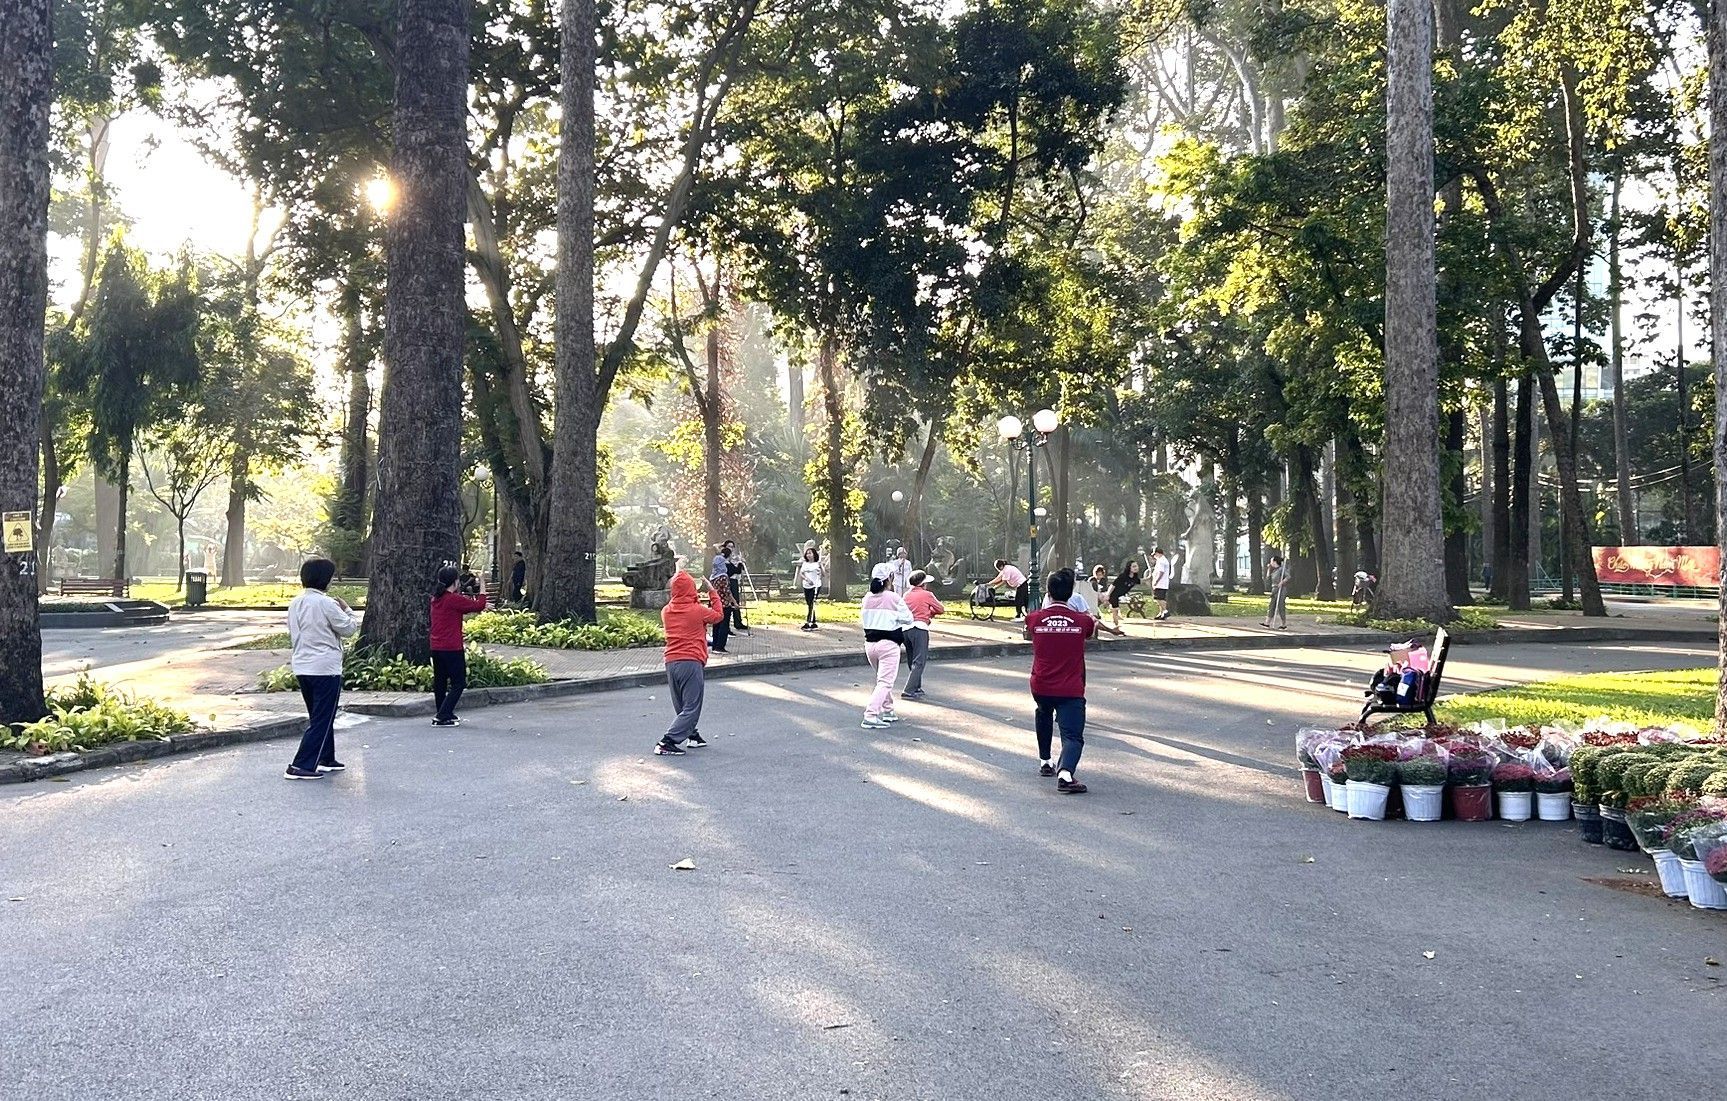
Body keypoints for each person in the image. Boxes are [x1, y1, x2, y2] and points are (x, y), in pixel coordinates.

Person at [283, 557, 359, 780]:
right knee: (323, 718)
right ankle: (301, 765)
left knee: (318, 716)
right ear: (325, 579)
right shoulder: (326, 603)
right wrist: (348, 610)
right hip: (325, 667)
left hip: (302, 665)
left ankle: (326, 757)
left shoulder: (295, 602)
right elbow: (348, 629)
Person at [1026, 570, 1097, 794]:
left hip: (1041, 684)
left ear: (1048, 591)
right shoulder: (1082, 621)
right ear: (1071, 593)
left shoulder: (1034, 618)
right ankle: (1065, 774)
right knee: (1072, 735)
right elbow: (1090, 634)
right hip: (1070, 687)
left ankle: (1045, 761)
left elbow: (1029, 635)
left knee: (1043, 713)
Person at [654, 568, 728, 756]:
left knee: (681, 704)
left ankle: (692, 736)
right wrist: (712, 591)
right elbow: (718, 615)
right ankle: (667, 741)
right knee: (691, 706)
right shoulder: (697, 610)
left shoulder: (666, 611)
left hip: (671, 660)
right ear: (691, 590)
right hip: (691, 660)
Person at [430, 563, 489, 727]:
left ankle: (443, 711)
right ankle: (442, 715)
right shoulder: (452, 599)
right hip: (451, 647)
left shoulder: (436, 598)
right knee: (459, 682)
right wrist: (482, 582)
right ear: (456, 582)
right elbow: (479, 606)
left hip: (436, 645)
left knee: (440, 681)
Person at [859, 564, 913, 729]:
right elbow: (909, 619)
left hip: (870, 645)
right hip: (888, 645)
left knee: (882, 680)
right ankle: (871, 715)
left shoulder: (867, 598)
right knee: (885, 682)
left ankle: (888, 710)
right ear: (890, 578)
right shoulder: (894, 598)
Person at [902, 569, 946, 699]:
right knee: (919, 660)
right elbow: (940, 609)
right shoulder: (927, 594)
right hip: (920, 628)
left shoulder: (906, 595)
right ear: (923, 584)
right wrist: (930, 613)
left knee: (912, 658)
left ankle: (916, 686)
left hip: (906, 629)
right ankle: (909, 690)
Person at [1104, 558, 1142, 634]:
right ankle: (1116, 626)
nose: (1136, 568)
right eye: (1134, 566)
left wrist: (1150, 577)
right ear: (1129, 568)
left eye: (1136, 566)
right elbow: (1113, 585)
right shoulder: (1123, 576)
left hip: (1121, 595)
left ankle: (1116, 625)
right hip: (1114, 595)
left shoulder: (1135, 578)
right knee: (1115, 610)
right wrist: (1107, 595)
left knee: (1116, 611)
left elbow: (1142, 581)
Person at [707, 544, 732, 653]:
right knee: (724, 625)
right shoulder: (723, 577)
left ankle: (714, 645)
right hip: (724, 604)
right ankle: (720, 646)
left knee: (716, 624)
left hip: (714, 603)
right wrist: (734, 602)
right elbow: (727, 592)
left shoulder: (712, 577)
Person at [722, 540, 749, 633]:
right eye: (728, 546)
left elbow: (738, 569)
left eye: (732, 547)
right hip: (726, 581)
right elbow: (733, 570)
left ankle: (738, 622)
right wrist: (739, 565)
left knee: (736, 601)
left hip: (734, 580)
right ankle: (727, 626)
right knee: (729, 602)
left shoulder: (734, 557)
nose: (730, 548)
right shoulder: (723, 558)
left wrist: (741, 563)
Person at [797, 546, 824, 631]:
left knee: (812, 603)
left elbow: (823, 574)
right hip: (806, 585)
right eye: (807, 553)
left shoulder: (817, 564)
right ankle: (813, 621)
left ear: (814, 554)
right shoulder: (805, 564)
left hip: (815, 585)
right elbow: (801, 573)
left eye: (810, 553)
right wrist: (806, 579)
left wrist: (821, 567)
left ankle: (809, 621)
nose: (808, 555)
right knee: (809, 603)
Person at [1264, 554, 1290, 630]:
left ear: (1275, 562)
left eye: (1271, 561)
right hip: (1274, 589)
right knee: (1271, 605)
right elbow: (1268, 579)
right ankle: (1267, 623)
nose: (1270, 562)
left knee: (1280, 606)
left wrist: (1282, 582)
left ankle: (1283, 624)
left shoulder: (1282, 569)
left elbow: (1288, 577)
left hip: (1281, 589)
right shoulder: (1274, 570)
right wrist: (1269, 569)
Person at [1150, 547, 1172, 621]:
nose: (1154, 556)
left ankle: (1165, 611)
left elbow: (1161, 572)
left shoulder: (1161, 561)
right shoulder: (1162, 560)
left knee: (1159, 598)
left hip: (1160, 583)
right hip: (1163, 583)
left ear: (1158, 553)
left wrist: (1156, 581)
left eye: (1155, 554)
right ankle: (1161, 613)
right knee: (1159, 598)